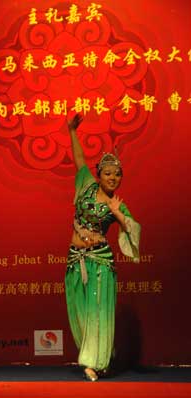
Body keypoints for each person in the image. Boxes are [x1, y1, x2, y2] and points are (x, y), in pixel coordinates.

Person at [65, 114, 141, 381]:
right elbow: (79, 159)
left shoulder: (118, 204)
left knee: (98, 311)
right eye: (108, 173)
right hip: (76, 259)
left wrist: (118, 214)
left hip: (100, 263)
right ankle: (98, 357)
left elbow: (133, 231)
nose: (113, 178)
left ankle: (92, 363)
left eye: (118, 175)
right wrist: (72, 131)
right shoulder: (85, 185)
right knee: (79, 312)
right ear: (98, 175)